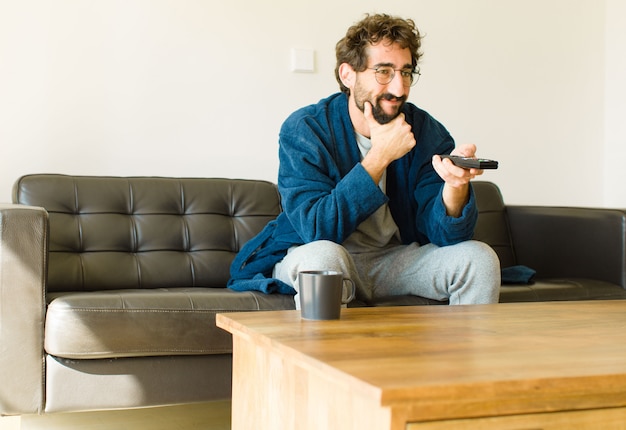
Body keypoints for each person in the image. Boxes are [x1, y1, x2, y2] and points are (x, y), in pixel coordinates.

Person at [228, 13, 501, 305]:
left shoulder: (425, 131)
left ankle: (463, 352)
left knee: (479, 258)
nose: (399, 88)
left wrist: (454, 187)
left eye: (405, 73)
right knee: (323, 261)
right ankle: (322, 353)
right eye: (384, 71)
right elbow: (317, 229)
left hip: (394, 261)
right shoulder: (305, 129)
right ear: (348, 74)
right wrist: (380, 156)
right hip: (321, 255)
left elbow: (447, 237)